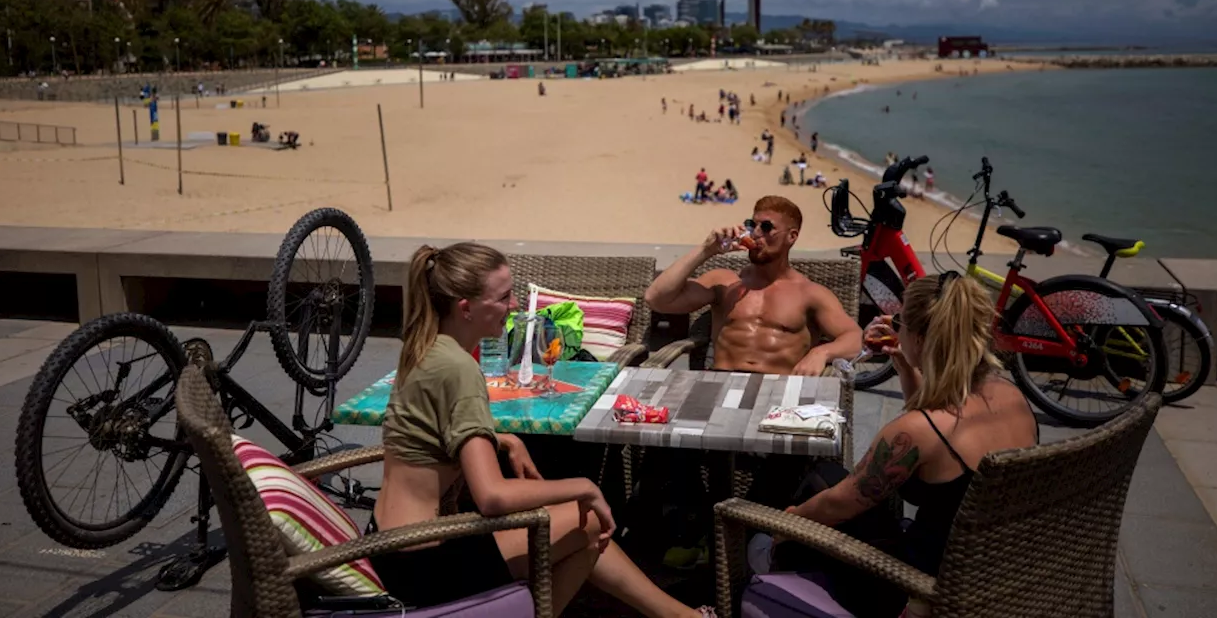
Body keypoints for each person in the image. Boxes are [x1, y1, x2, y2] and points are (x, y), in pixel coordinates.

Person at [375, 243, 715, 617]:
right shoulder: (459, 369)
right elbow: (492, 497)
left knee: (583, 533)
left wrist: (504, 438)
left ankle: (681, 617)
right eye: (504, 297)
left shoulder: (425, 348)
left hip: (391, 543)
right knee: (586, 516)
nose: (516, 305)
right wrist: (585, 486)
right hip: (425, 561)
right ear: (466, 308)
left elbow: (429, 434)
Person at [765, 273, 1038, 617]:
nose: (895, 325)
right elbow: (936, 423)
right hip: (985, 567)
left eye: (901, 320)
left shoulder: (914, 432)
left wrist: (787, 524)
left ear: (921, 337)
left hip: (916, 586)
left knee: (818, 490)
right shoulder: (1012, 396)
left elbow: (839, 504)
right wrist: (906, 364)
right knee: (830, 476)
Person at [644, 196, 862, 376]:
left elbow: (855, 338)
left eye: (766, 227)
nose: (756, 233)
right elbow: (657, 299)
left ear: (792, 236)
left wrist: (821, 353)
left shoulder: (809, 293)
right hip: (721, 381)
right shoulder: (724, 282)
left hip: (777, 389)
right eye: (752, 225)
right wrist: (705, 250)